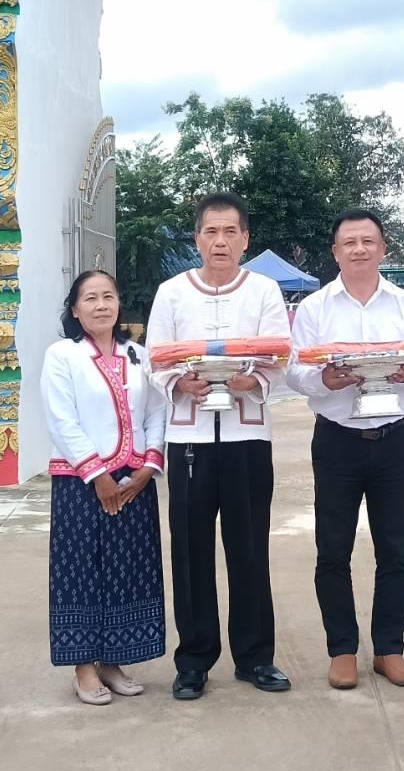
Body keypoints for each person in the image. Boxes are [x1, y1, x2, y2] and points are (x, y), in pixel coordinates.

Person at [144, 192, 292, 700]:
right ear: (197, 238)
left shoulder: (264, 290)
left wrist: (255, 382)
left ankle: (255, 657)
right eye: (211, 231)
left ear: (245, 238)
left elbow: (279, 357)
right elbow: (157, 360)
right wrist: (179, 384)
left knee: (249, 548)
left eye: (231, 232)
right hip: (189, 438)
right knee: (190, 552)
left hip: (247, 436)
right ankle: (193, 660)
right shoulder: (172, 293)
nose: (221, 241)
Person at [286, 209, 404, 691]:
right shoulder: (315, 308)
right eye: (349, 242)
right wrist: (323, 379)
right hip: (337, 441)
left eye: (368, 241)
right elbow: (295, 371)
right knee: (333, 550)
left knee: (395, 550)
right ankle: (342, 650)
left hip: (394, 440)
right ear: (335, 252)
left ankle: (390, 649)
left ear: (383, 248)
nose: (359, 249)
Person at [42, 270, 167, 706]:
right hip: (80, 481)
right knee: (80, 570)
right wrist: (97, 474)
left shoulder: (139, 355)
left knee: (127, 569)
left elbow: (157, 411)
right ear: (75, 310)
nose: (101, 305)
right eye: (90, 298)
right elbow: (61, 418)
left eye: (108, 296)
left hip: (134, 481)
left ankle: (114, 660)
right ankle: (83, 666)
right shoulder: (63, 355)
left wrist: (150, 464)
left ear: (118, 303)